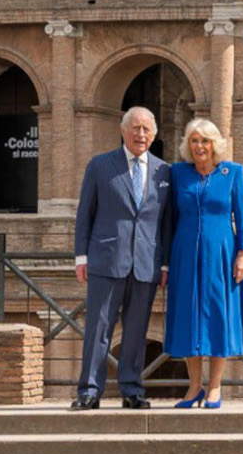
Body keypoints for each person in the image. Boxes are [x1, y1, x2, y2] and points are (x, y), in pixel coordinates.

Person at [72, 107, 172, 409]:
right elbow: (84, 213)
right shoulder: (100, 166)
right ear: (123, 131)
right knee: (98, 329)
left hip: (146, 264)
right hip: (106, 260)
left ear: (153, 135)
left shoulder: (164, 171)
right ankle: (89, 391)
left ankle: (131, 389)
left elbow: (166, 222)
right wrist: (81, 256)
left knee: (136, 332)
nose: (140, 134)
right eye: (135, 128)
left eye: (146, 129)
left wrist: (165, 262)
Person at [165, 118, 243, 409]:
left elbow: (242, 217)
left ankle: (215, 387)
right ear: (187, 145)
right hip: (185, 252)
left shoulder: (232, 173)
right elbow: (169, 220)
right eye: (194, 140)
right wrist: (165, 261)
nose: (199, 146)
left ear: (215, 144)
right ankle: (194, 387)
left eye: (205, 140)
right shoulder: (178, 173)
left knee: (219, 314)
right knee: (189, 315)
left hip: (221, 253)